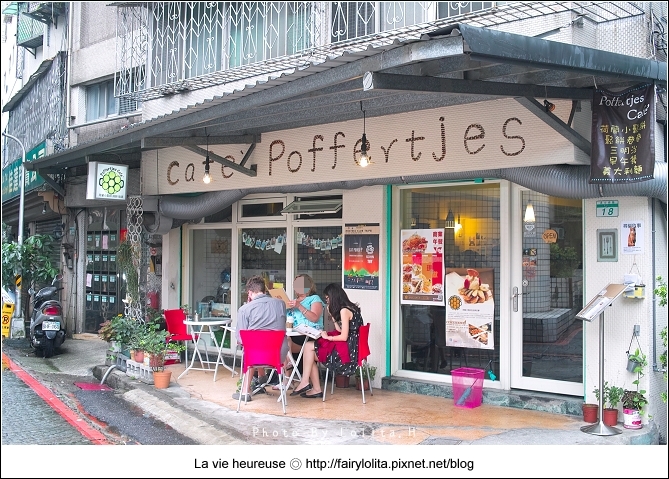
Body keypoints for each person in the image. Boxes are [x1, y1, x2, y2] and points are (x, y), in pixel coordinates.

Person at [290, 283, 363, 399]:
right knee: (309, 350)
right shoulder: (352, 308)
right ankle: (310, 385)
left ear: (334, 297)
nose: (327, 301)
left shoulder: (344, 311)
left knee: (309, 351)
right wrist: (333, 316)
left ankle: (310, 385)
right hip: (353, 349)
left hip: (347, 354)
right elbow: (340, 330)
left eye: (328, 298)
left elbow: (343, 336)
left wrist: (328, 337)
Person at [233, 275, 288, 401]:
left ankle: (245, 391)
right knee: (262, 343)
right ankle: (262, 376)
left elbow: (240, 338)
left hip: (255, 357)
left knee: (251, 346)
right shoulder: (281, 304)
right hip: (278, 355)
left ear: (249, 293)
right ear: (264, 290)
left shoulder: (244, 309)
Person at [281, 274, 324, 383]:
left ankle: (288, 375)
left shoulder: (314, 298)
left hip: (309, 336)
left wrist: (299, 306)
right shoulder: (293, 301)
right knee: (282, 340)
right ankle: (287, 377)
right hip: (294, 336)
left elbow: (315, 318)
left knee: (286, 341)